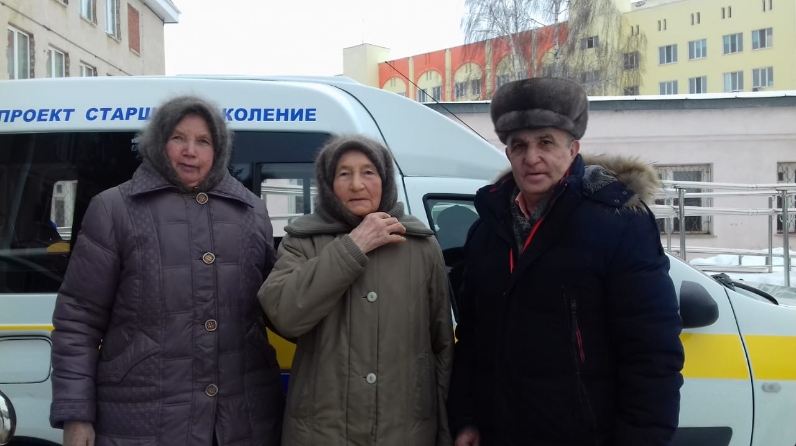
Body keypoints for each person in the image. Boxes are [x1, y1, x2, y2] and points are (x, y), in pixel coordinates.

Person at [447, 78, 685, 446]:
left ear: (573, 149)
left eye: (546, 142)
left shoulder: (618, 223)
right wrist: (467, 418)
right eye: (519, 145)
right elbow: (473, 340)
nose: (531, 157)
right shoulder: (488, 230)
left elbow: (651, 354)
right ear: (507, 154)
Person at [49, 95, 285, 446]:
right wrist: (76, 415)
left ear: (219, 149)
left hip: (241, 420)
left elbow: (280, 303)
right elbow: (78, 320)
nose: (190, 151)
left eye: (203, 141)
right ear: (159, 142)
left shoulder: (251, 212)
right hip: (143, 418)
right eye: (178, 138)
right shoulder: (115, 209)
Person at [259, 134, 454, 446]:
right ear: (328, 183)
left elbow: (441, 344)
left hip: (405, 431)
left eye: (368, 172)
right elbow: (284, 314)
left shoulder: (420, 244)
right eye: (344, 174)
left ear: (385, 179)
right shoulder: (303, 240)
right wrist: (353, 246)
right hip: (322, 433)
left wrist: (444, 432)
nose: (356, 185)